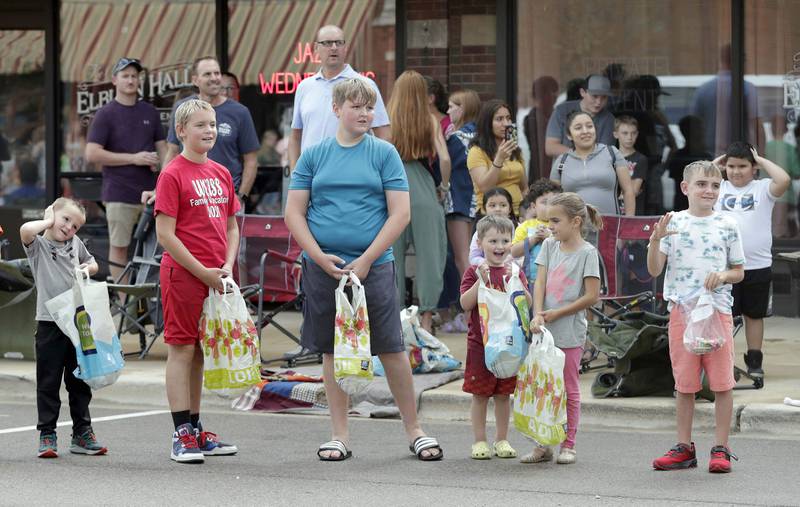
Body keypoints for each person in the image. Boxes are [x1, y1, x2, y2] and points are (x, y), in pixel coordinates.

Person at [284, 78, 443, 462]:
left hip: (375, 266)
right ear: (336, 109)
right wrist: (319, 258)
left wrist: (369, 257)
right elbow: (293, 213)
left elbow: (400, 213)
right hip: (324, 268)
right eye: (356, 106)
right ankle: (339, 434)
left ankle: (415, 430)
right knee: (330, 350)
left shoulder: (384, 153)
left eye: (369, 108)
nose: (364, 114)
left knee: (391, 348)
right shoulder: (313, 155)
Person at [155, 99, 240, 464]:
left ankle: (195, 426)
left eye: (213, 124)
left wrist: (227, 266)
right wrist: (202, 272)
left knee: (202, 352)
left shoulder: (221, 173)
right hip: (183, 275)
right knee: (182, 348)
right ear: (181, 131)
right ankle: (180, 434)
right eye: (200, 124)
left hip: (215, 276)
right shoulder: (172, 174)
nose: (209, 130)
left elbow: (233, 224)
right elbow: (165, 235)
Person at [647, 161, 745, 473]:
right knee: (685, 384)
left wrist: (724, 275)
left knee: (722, 383)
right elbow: (653, 269)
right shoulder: (673, 222)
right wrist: (654, 240)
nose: (709, 190)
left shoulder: (728, 224)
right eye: (702, 184)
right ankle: (684, 447)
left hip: (716, 311)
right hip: (682, 311)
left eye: (715, 185)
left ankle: (721, 448)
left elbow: (739, 272)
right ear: (685, 188)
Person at [20, 197, 106, 458]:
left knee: (79, 379)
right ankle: (47, 433)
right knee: (48, 381)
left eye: (76, 225)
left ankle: (82, 432)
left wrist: (88, 267)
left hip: (76, 322)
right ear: (52, 214)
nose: (69, 228)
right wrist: (48, 219)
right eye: (65, 219)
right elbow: (25, 231)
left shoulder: (74, 244)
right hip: (49, 322)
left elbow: (93, 263)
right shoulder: (39, 246)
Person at [527, 192, 602, 465]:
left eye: (556, 221)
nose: (551, 226)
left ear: (576, 222)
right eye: (549, 221)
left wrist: (558, 312)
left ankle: (568, 443)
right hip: (544, 330)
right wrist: (537, 313)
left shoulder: (588, 253)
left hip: (570, 332)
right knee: (542, 388)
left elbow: (592, 296)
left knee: (568, 388)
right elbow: (539, 282)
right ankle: (543, 443)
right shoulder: (549, 246)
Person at [85, 57, 166, 282]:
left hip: (152, 195)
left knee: (158, 250)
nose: (131, 80)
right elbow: (92, 154)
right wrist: (134, 158)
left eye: (134, 76)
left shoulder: (150, 112)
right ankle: (125, 304)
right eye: (126, 76)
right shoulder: (105, 114)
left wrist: (159, 163)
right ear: (114, 80)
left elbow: (165, 152)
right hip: (119, 193)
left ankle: (150, 304)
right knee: (120, 248)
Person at [713, 142, 790, 380]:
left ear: (753, 168)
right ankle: (723, 361)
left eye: (743, 166)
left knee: (754, 315)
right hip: (724, 267)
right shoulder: (718, 187)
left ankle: (754, 360)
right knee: (723, 315)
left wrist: (761, 159)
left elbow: (784, 179)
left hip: (757, 264)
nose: (736, 171)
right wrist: (717, 162)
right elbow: (696, 175)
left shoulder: (762, 188)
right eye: (731, 166)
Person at [459, 215, 530, 461]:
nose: (499, 246)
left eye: (505, 240)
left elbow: (527, 305)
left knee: (503, 395)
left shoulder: (515, 271)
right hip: (481, 344)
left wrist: (516, 281)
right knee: (480, 394)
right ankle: (479, 440)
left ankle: (502, 439)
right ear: (480, 242)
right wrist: (481, 280)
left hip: (510, 345)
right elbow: (465, 303)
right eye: (493, 241)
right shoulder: (473, 271)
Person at [389, 70, 451, 333]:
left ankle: (394, 321)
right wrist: (443, 187)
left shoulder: (386, 119)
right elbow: (445, 160)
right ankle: (425, 322)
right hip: (424, 190)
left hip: (392, 191)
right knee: (430, 258)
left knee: (391, 257)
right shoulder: (430, 121)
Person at [288, 24, 390, 170]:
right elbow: (295, 137)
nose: (334, 47)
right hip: (311, 177)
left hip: (351, 175)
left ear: (345, 48)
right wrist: (295, 175)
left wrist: (372, 172)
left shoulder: (364, 84)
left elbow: (384, 135)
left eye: (339, 42)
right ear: (316, 49)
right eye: (327, 43)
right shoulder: (304, 87)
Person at [166, 57, 259, 209]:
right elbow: (172, 152)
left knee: (231, 234)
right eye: (207, 74)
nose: (214, 78)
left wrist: (241, 196)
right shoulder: (182, 108)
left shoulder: (240, 112)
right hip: (187, 196)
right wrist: (162, 189)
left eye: (217, 73)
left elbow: (251, 160)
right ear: (195, 80)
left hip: (226, 199)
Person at [550, 111, 635, 219]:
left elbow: (628, 191)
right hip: (573, 230)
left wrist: (629, 223)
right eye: (578, 128)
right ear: (569, 135)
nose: (585, 131)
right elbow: (553, 200)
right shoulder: (561, 162)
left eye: (589, 126)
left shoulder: (612, 153)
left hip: (610, 228)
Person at [468, 99, 527, 216]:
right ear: (488, 123)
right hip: (491, 216)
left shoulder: (515, 150)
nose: (506, 124)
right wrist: (499, 159)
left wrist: (525, 213)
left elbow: (524, 188)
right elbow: (485, 187)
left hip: (517, 215)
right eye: (499, 119)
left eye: (508, 118)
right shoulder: (477, 151)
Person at [444, 89, 480, 280]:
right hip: (479, 200)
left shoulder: (456, 138)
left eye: (451, 107)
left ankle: (471, 307)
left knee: (463, 259)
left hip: (458, 200)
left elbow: (444, 167)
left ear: (463, 108)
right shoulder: (483, 135)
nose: (448, 111)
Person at [545, 75, 617, 157]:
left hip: (593, 169)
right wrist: (580, 155)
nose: (598, 102)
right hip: (564, 168)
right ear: (582, 92)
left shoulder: (609, 119)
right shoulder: (561, 111)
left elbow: (604, 154)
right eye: (595, 96)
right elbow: (550, 147)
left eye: (604, 97)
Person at [510, 179, 562, 289]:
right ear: (534, 206)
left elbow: (569, 247)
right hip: (531, 280)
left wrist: (550, 237)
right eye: (545, 202)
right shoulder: (526, 226)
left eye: (555, 202)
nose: (550, 206)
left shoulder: (563, 224)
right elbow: (514, 252)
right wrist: (534, 239)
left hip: (559, 280)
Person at [764, 115, 800, 238]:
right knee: (786, 233)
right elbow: (797, 173)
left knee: (769, 229)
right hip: (785, 197)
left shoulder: (765, 149)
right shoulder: (789, 149)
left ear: (771, 129)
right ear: (786, 130)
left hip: (766, 195)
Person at [666, 116, 712, 211]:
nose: (702, 133)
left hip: (703, 206)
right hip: (682, 204)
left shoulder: (707, 156)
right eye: (698, 129)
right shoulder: (678, 157)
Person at [522, 76, 558, 182]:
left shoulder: (554, 114)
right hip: (541, 173)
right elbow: (538, 152)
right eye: (552, 93)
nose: (555, 97)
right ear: (542, 95)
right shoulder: (534, 118)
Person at [469, 188, 517, 266]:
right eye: (492, 205)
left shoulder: (519, 228)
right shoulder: (480, 231)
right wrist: (488, 263)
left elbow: (523, 254)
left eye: (503, 205)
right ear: (484, 209)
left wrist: (511, 262)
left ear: (510, 209)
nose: (498, 209)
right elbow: (473, 257)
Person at [614, 116, 648, 215]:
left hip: (633, 213)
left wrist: (612, 192)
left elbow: (633, 191)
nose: (629, 137)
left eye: (633, 133)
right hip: (613, 212)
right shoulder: (610, 158)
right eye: (625, 133)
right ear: (616, 134)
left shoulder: (640, 159)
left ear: (637, 134)